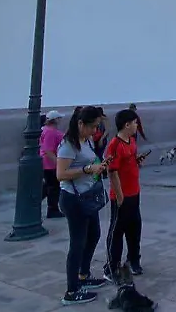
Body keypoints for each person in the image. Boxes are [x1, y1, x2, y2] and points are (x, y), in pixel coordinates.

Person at [56, 106, 110, 304]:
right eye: (93, 127)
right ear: (80, 124)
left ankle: (83, 274)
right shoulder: (68, 145)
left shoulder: (86, 140)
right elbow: (60, 174)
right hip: (74, 198)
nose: (95, 131)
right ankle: (71, 291)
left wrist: (100, 166)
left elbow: (91, 160)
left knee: (94, 234)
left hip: (88, 196)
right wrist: (88, 169)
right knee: (77, 243)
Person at [104, 109, 145, 282]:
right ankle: (112, 267)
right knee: (117, 231)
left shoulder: (132, 141)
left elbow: (128, 163)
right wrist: (120, 197)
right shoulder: (115, 144)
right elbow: (112, 172)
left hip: (135, 192)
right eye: (135, 122)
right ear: (126, 124)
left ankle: (133, 260)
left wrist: (137, 162)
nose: (137, 125)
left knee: (135, 227)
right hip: (121, 196)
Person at [41, 110, 66, 219]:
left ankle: (35, 202)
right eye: (59, 118)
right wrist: (58, 163)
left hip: (45, 162)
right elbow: (48, 150)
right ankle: (53, 209)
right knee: (53, 187)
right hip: (50, 163)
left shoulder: (45, 130)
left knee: (48, 185)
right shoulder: (51, 132)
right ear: (55, 120)